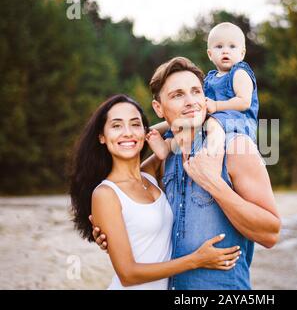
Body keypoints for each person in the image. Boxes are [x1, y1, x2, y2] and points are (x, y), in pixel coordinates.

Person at [92, 57, 281, 290]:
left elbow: (270, 233)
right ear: (158, 108)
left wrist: (214, 184)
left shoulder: (235, 148)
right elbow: (131, 201)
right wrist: (106, 231)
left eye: (196, 91)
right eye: (178, 95)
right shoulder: (165, 160)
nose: (191, 101)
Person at [69, 94, 241, 290]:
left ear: (145, 132)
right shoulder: (106, 194)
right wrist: (196, 260)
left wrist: (213, 123)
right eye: (116, 126)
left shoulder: (149, 175)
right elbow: (128, 274)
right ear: (101, 136)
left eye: (134, 124)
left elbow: (177, 124)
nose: (127, 133)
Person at [148, 22, 258, 160]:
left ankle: (212, 159)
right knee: (182, 129)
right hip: (213, 121)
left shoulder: (240, 73)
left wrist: (217, 106)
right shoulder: (210, 78)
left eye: (232, 46)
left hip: (238, 122)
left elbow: (244, 102)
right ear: (210, 54)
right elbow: (194, 111)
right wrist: (148, 129)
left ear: (242, 53)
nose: (225, 51)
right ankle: (167, 146)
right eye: (219, 46)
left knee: (212, 123)